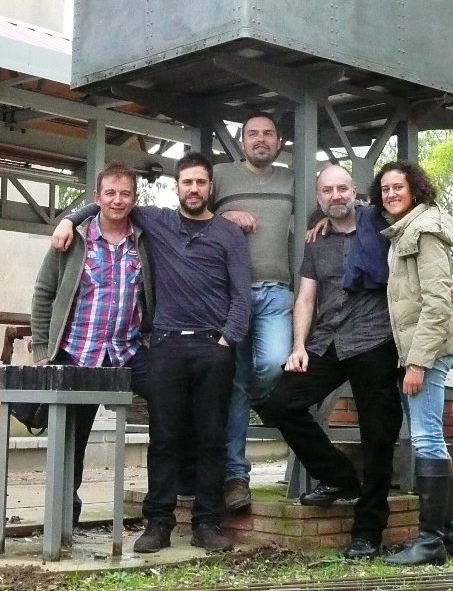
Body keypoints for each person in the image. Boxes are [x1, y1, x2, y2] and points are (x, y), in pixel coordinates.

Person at [51, 151, 251, 553]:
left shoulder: (228, 233)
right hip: (166, 345)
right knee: (164, 437)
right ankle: (158, 523)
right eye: (186, 182)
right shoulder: (156, 221)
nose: (193, 189)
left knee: (211, 437)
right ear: (176, 187)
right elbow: (111, 202)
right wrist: (69, 218)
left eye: (200, 182)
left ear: (211, 188)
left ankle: (207, 524)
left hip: (214, 347)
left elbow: (242, 295)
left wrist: (228, 339)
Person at [255, 164, 403, 560]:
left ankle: (368, 530)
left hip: (376, 340)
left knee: (378, 435)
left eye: (342, 188)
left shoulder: (383, 226)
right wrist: (298, 345)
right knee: (279, 404)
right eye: (327, 191)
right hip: (328, 340)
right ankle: (339, 477)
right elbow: (305, 297)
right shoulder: (316, 241)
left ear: (355, 191)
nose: (335, 196)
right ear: (319, 197)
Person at [29, 161, 154, 528]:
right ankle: (64, 516)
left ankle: (162, 506)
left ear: (135, 198)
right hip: (78, 352)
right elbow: (44, 292)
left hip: (129, 352)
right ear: (97, 197)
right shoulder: (72, 241)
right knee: (71, 437)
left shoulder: (145, 241)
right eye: (110, 193)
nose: (117, 200)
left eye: (125, 193)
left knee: (171, 402)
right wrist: (41, 350)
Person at [371, 160, 453, 566]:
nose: (391, 194)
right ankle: (450, 535)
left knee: (426, 438)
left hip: (426, 352)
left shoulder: (423, 232)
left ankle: (430, 543)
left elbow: (435, 305)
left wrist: (417, 363)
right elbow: (445, 287)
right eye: (385, 189)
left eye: (398, 187)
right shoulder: (409, 230)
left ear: (415, 190)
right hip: (424, 350)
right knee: (433, 437)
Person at [213, 112, 294, 512]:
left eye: (268, 133)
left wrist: (319, 224)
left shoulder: (293, 180)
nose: (260, 139)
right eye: (252, 134)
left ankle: (268, 402)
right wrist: (224, 218)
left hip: (277, 292)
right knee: (235, 388)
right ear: (241, 140)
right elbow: (191, 217)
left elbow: (332, 207)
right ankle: (234, 477)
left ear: (279, 141)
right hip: (230, 297)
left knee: (273, 364)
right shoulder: (221, 177)